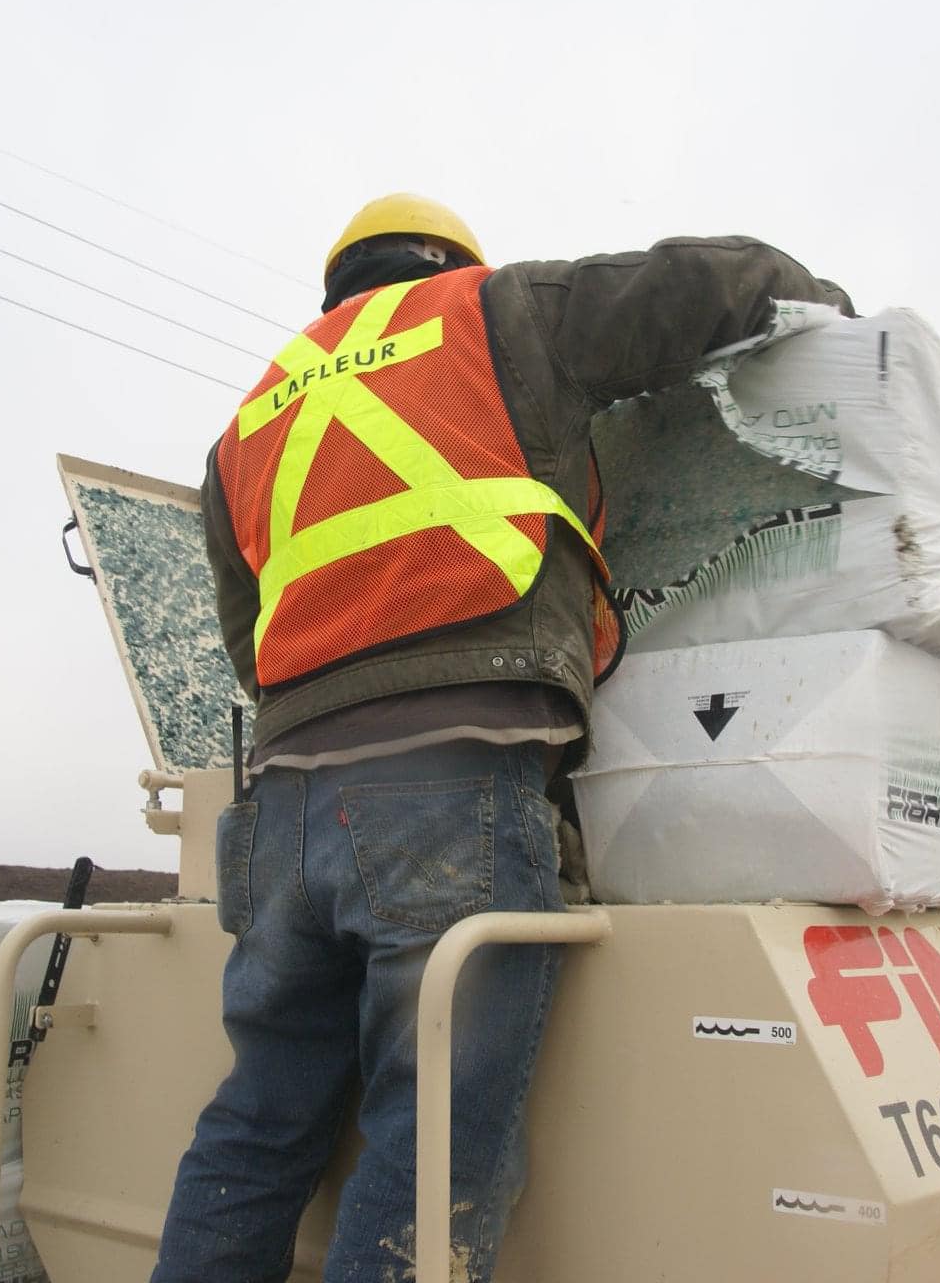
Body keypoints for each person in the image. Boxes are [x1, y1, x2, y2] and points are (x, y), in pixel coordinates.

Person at [152, 193, 854, 1283]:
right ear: (443, 266)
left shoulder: (245, 427)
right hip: (448, 786)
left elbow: (251, 644)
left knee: (258, 1121)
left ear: (338, 288)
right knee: (430, 1147)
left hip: (281, 811)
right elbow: (715, 277)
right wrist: (840, 337)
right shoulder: (497, 312)